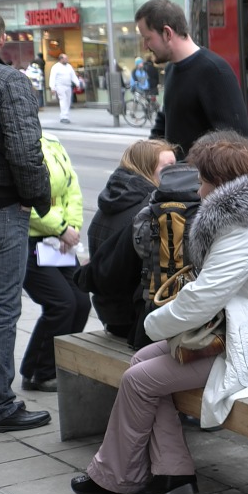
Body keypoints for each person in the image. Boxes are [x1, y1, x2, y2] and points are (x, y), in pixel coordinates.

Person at [70, 131, 248, 494]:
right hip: (244, 332)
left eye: (202, 181)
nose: (196, 190)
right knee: (141, 366)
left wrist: (151, 326)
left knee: (140, 378)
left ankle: (128, 474)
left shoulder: (244, 232)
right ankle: (168, 472)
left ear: (220, 183)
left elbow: (199, 300)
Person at [0, 9, 53, 432]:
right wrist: (38, 199)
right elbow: (25, 151)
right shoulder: (8, 81)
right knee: (0, 309)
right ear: (1, 37)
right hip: (1, 210)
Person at [75, 139, 176, 346]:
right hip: (133, 321)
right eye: (168, 167)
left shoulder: (112, 198)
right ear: (146, 168)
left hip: (109, 314)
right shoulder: (151, 208)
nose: (176, 173)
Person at [19, 132, 90, 392]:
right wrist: (60, 227)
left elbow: (72, 187)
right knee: (61, 304)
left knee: (81, 302)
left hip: (60, 241)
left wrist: (71, 226)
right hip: (31, 240)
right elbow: (26, 198)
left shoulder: (51, 141)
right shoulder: (17, 145)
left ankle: (58, 365)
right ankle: (37, 372)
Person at [136, 0, 248, 156]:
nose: (145, 46)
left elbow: (238, 144)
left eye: (148, 38)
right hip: (177, 178)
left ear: (167, 33)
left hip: (204, 180)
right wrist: (145, 159)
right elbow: (164, 123)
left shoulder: (215, 71)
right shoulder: (170, 70)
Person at [49, 53, 79, 124]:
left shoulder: (69, 66)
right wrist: (52, 87)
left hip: (68, 86)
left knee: (68, 101)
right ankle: (64, 117)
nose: (67, 60)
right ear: (61, 59)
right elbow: (52, 77)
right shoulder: (56, 67)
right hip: (60, 86)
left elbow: (73, 76)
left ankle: (66, 115)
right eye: (65, 58)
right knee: (63, 100)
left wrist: (77, 83)